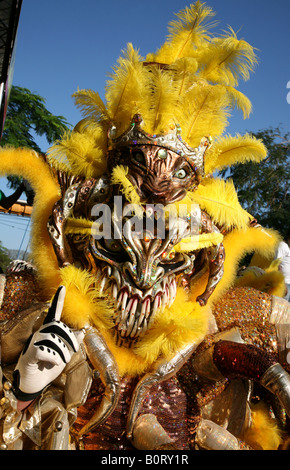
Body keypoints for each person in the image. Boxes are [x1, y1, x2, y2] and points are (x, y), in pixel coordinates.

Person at [275, 231, 290, 301]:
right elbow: (276, 264)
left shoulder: (288, 248)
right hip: (285, 284)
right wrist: (282, 283)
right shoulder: (282, 245)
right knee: (281, 308)